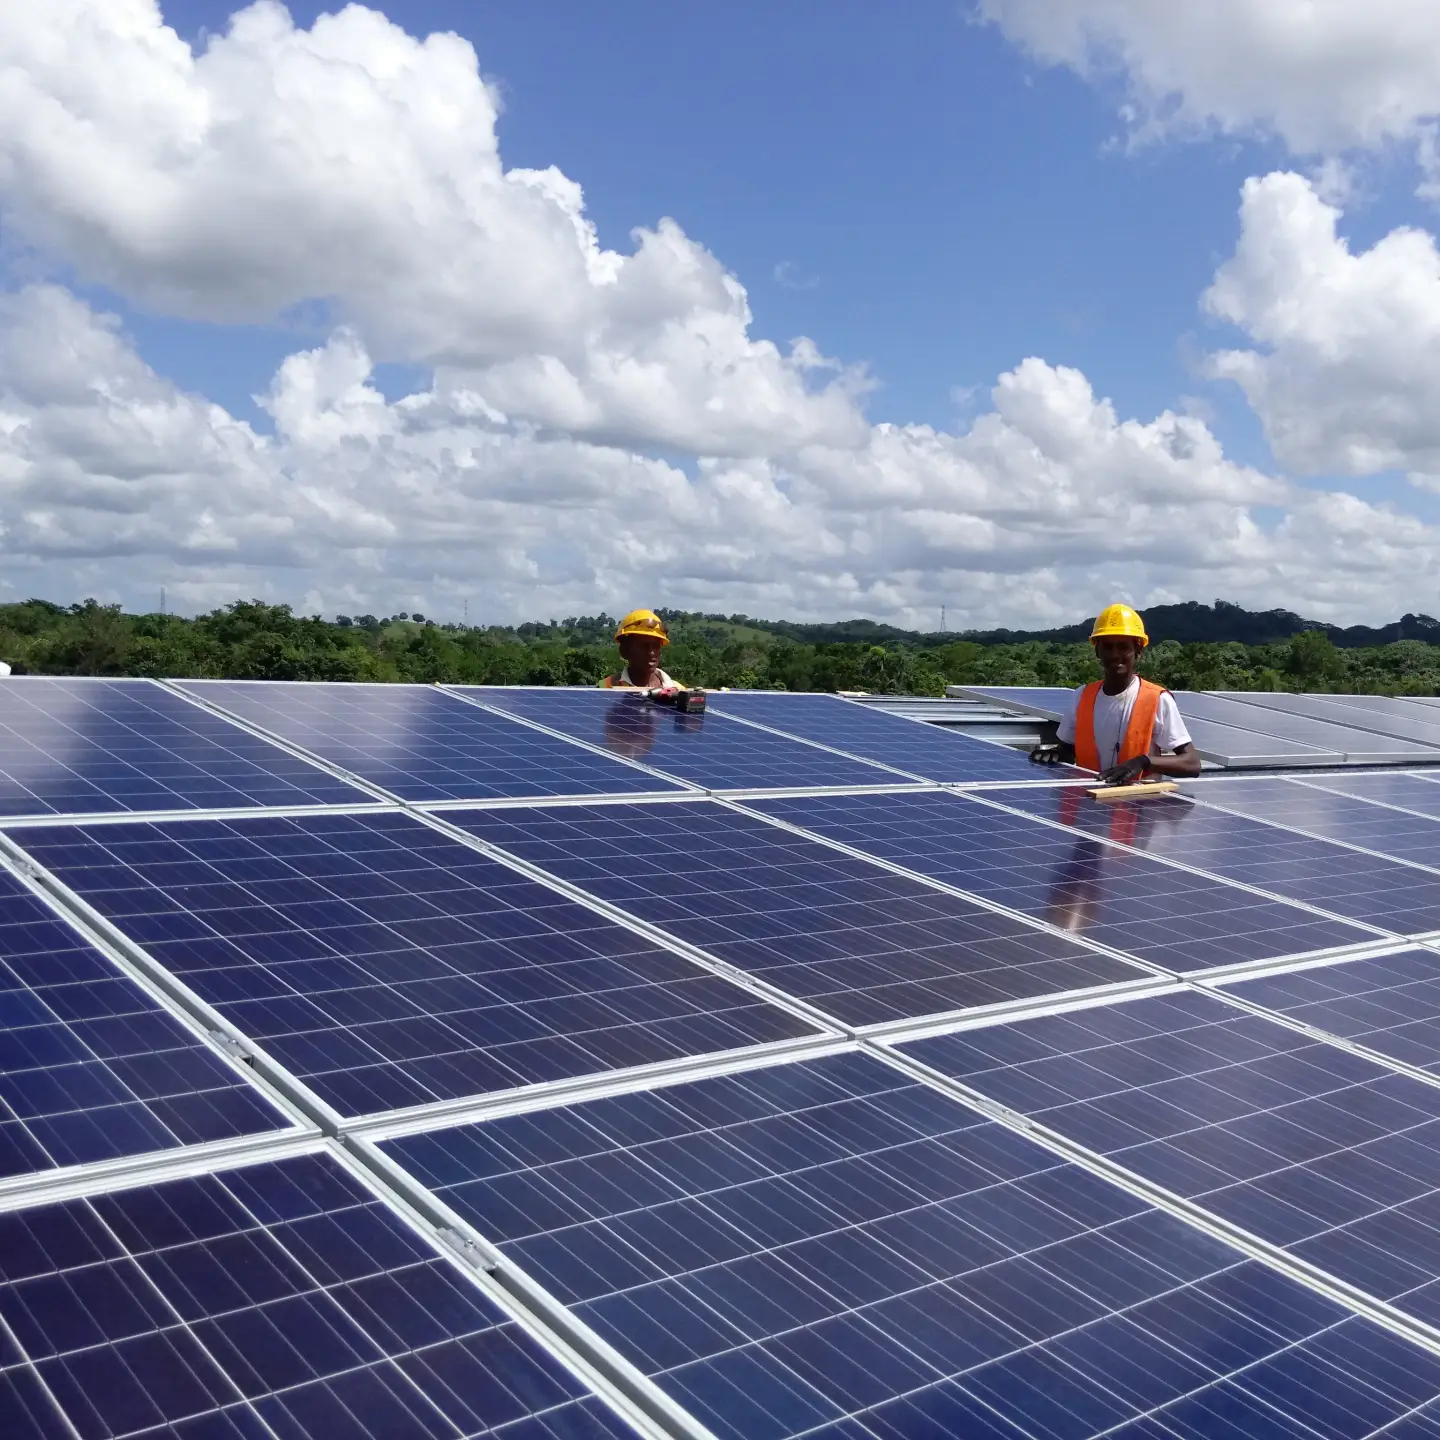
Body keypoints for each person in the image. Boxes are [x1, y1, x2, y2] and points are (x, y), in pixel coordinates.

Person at [1030, 603, 1201, 783]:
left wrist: (1143, 762)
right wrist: (1055, 753)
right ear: (1098, 650)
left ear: (1138, 650)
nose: (1115, 654)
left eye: (1123, 647)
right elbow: (1067, 749)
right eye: (1108, 647)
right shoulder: (1082, 697)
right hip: (1090, 802)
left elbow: (1192, 763)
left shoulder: (1156, 699)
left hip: (1139, 804)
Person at [600, 609, 681, 689]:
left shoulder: (679, 691)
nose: (651, 652)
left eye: (656, 646)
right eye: (644, 646)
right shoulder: (604, 689)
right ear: (625, 650)